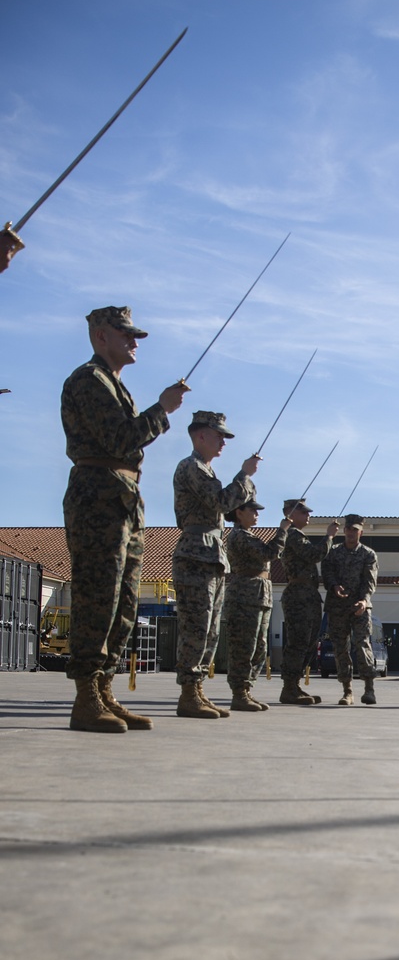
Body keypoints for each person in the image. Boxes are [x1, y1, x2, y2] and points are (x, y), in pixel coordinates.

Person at [61, 305, 187, 732]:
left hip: (123, 497)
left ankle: (104, 690)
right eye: (126, 334)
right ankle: (85, 697)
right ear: (101, 336)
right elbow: (120, 438)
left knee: (124, 602)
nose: (134, 342)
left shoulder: (115, 386)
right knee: (98, 596)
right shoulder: (88, 380)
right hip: (98, 495)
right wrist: (163, 409)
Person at [172, 411, 258, 720]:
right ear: (200, 435)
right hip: (196, 554)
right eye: (219, 434)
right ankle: (188, 693)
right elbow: (221, 503)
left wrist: (243, 479)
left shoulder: (205, 469)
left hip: (211, 554)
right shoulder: (191, 467)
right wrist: (244, 476)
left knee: (209, 630)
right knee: (197, 625)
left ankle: (196, 691)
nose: (223, 441)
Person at [222, 499, 292, 712]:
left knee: (259, 648)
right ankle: (239, 693)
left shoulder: (249, 536)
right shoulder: (239, 536)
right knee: (244, 646)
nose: (257, 514)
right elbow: (268, 553)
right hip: (245, 596)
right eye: (252, 510)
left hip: (259, 595)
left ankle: (246, 689)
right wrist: (282, 531)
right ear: (238, 512)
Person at [279, 501, 338, 705]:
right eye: (303, 512)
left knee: (309, 642)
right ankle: (289, 688)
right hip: (298, 595)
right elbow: (315, 554)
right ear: (290, 514)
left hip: (308, 594)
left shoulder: (298, 535)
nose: (308, 516)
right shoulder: (293, 535)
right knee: (299, 642)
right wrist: (329, 536)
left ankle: (293, 685)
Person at [322, 514, 380, 705]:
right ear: (344, 530)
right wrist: (334, 585)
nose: (351, 533)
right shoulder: (334, 552)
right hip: (337, 607)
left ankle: (369, 689)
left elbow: (369, 581)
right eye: (349, 529)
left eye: (355, 529)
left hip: (359, 606)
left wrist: (364, 600)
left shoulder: (368, 554)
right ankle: (347, 691)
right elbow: (327, 571)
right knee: (340, 648)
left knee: (362, 645)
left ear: (361, 532)